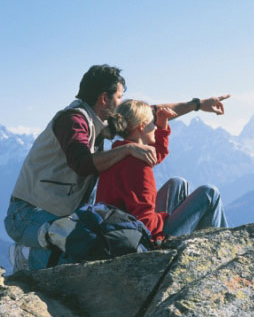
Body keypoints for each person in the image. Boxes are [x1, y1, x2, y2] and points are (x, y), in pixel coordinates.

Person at [4, 64, 230, 271]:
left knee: (176, 186)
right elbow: (82, 163)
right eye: (119, 97)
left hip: (72, 214)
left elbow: (150, 113)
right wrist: (128, 150)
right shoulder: (73, 121)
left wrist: (198, 105)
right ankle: (29, 255)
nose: (122, 103)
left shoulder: (104, 123)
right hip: (30, 214)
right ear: (104, 98)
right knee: (76, 248)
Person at [96, 99, 228, 243]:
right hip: (144, 239)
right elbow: (145, 223)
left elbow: (154, 155)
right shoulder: (138, 166)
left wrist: (162, 124)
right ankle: (221, 246)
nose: (155, 127)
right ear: (142, 126)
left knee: (177, 183)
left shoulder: (118, 154)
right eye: (153, 123)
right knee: (209, 193)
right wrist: (165, 217)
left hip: (118, 229)